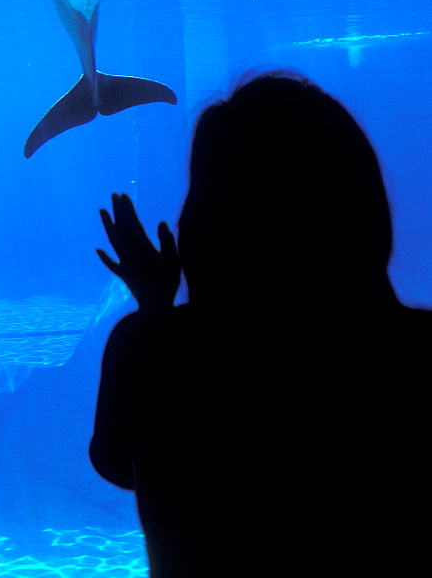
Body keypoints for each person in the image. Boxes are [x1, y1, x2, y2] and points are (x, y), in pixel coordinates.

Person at [90, 72, 430, 575]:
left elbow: (118, 463)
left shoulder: (149, 350)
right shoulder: (414, 355)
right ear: (364, 207)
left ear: (201, 226)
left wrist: (154, 311)